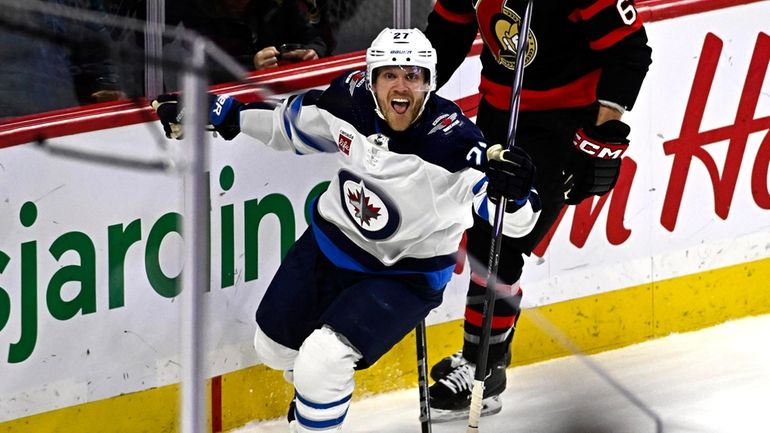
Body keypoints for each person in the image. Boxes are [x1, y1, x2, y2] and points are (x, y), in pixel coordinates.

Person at [153, 28, 540, 432]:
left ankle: (315, 413)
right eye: (390, 75)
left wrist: (513, 194)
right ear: (371, 79)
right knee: (272, 347)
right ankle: (313, 398)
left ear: (430, 82)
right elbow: (290, 126)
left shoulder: (456, 145)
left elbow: (513, 222)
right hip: (329, 248)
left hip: (404, 275)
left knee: (324, 359)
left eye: (413, 75)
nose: (401, 85)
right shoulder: (348, 100)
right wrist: (219, 113)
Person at [422, 0, 653, 421]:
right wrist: (410, 88)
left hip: (564, 121)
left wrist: (602, 132)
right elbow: (449, 29)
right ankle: (484, 352)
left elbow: (630, 49)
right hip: (497, 112)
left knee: (503, 240)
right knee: (482, 238)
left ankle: (483, 368)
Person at [166, 0, 334, 84]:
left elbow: (315, 38)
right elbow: (201, 67)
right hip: (225, 106)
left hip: (286, 92)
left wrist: (313, 52)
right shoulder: (198, 18)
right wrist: (251, 64)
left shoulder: (276, 7)